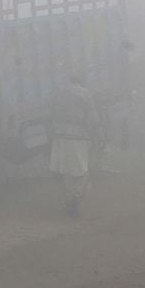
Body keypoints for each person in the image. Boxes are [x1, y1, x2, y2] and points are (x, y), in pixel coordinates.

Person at [49, 74, 100, 217]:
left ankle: (68, 199)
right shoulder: (84, 94)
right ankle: (74, 200)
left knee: (67, 172)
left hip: (59, 137)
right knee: (82, 172)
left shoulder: (57, 92)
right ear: (80, 82)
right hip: (78, 137)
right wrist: (98, 135)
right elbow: (94, 119)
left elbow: (50, 111)